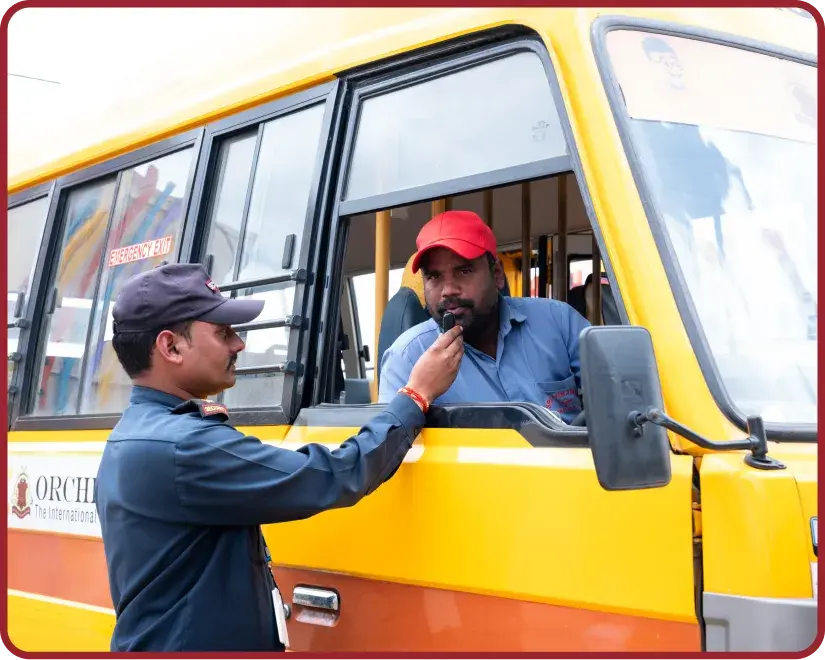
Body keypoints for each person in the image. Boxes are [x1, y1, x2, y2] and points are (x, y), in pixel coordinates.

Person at [94, 262, 463, 652]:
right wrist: (415, 396)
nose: (239, 344)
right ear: (170, 346)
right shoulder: (184, 447)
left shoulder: (135, 435)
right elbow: (332, 474)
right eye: (223, 333)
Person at [378, 210, 589, 424]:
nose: (448, 290)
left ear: (496, 275)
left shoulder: (558, 321)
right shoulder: (407, 359)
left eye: (464, 271)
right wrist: (420, 394)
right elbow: (389, 449)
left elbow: (618, 392)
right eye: (434, 276)